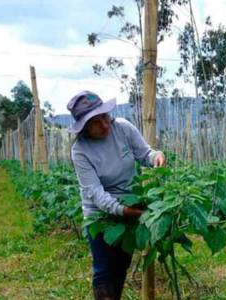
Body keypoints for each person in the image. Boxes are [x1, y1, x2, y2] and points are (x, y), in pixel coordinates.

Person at [67, 91, 165, 300]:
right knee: (103, 269)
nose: (104, 124)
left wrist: (156, 156)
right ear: (84, 128)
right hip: (100, 214)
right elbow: (94, 192)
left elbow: (144, 154)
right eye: (96, 122)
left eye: (105, 116)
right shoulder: (80, 150)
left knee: (121, 266)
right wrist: (123, 211)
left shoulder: (122, 127)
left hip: (130, 203)